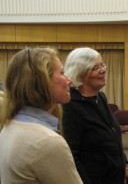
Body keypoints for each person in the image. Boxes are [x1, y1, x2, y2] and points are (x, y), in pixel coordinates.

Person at [0, 47, 83, 184]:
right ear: (43, 82)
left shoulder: (10, 126)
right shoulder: (47, 141)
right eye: (62, 73)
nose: (69, 81)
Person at [62, 47, 128, 184]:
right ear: (80, 73)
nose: (103, 70)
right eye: (95, 67)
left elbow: (113, 137)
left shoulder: (100, 97)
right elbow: (72, 157)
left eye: (102, 65)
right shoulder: (70, 106)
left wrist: (125, 166)